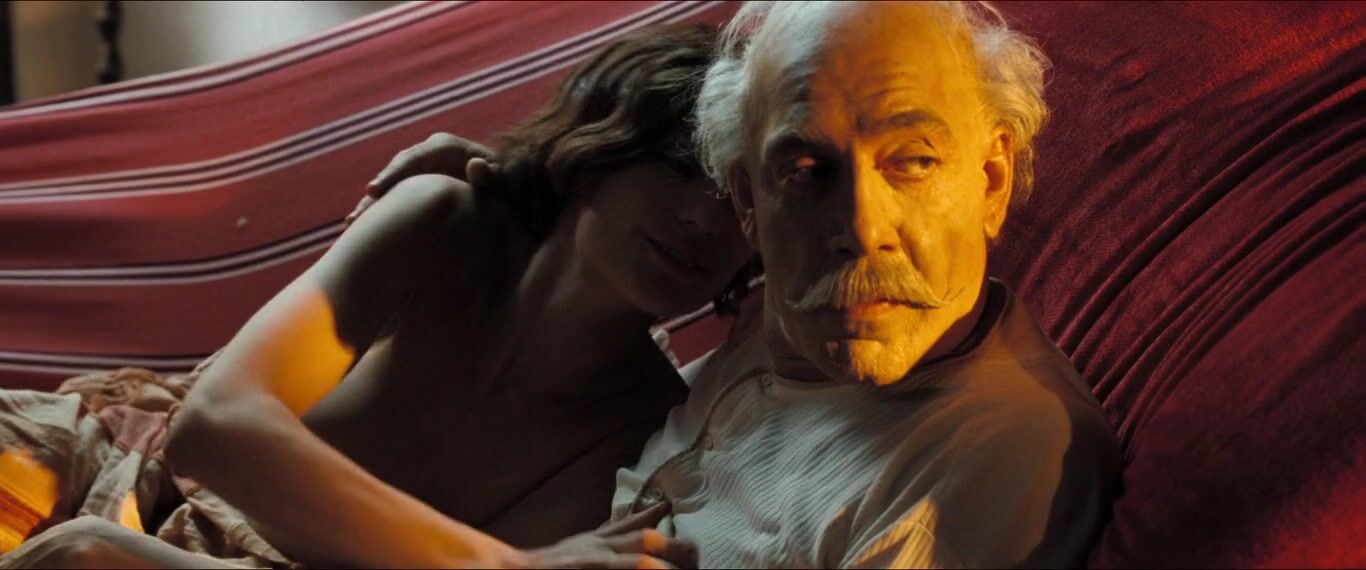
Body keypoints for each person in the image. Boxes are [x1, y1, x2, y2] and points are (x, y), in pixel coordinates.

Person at [371, 1, 1122, 567]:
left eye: (913, 161)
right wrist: (510, 185)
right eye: (806, 172)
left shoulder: (996, 457)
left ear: (992, 180)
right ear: (748, 206)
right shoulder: (791, 313)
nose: (863, 228)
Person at [1, 25, 749, 569]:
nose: (706, 222)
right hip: (122, 457)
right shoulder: (448, 222)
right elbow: (211, 428)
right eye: (682, 166)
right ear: (599, 151)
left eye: (743, 202)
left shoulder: (645, 428)